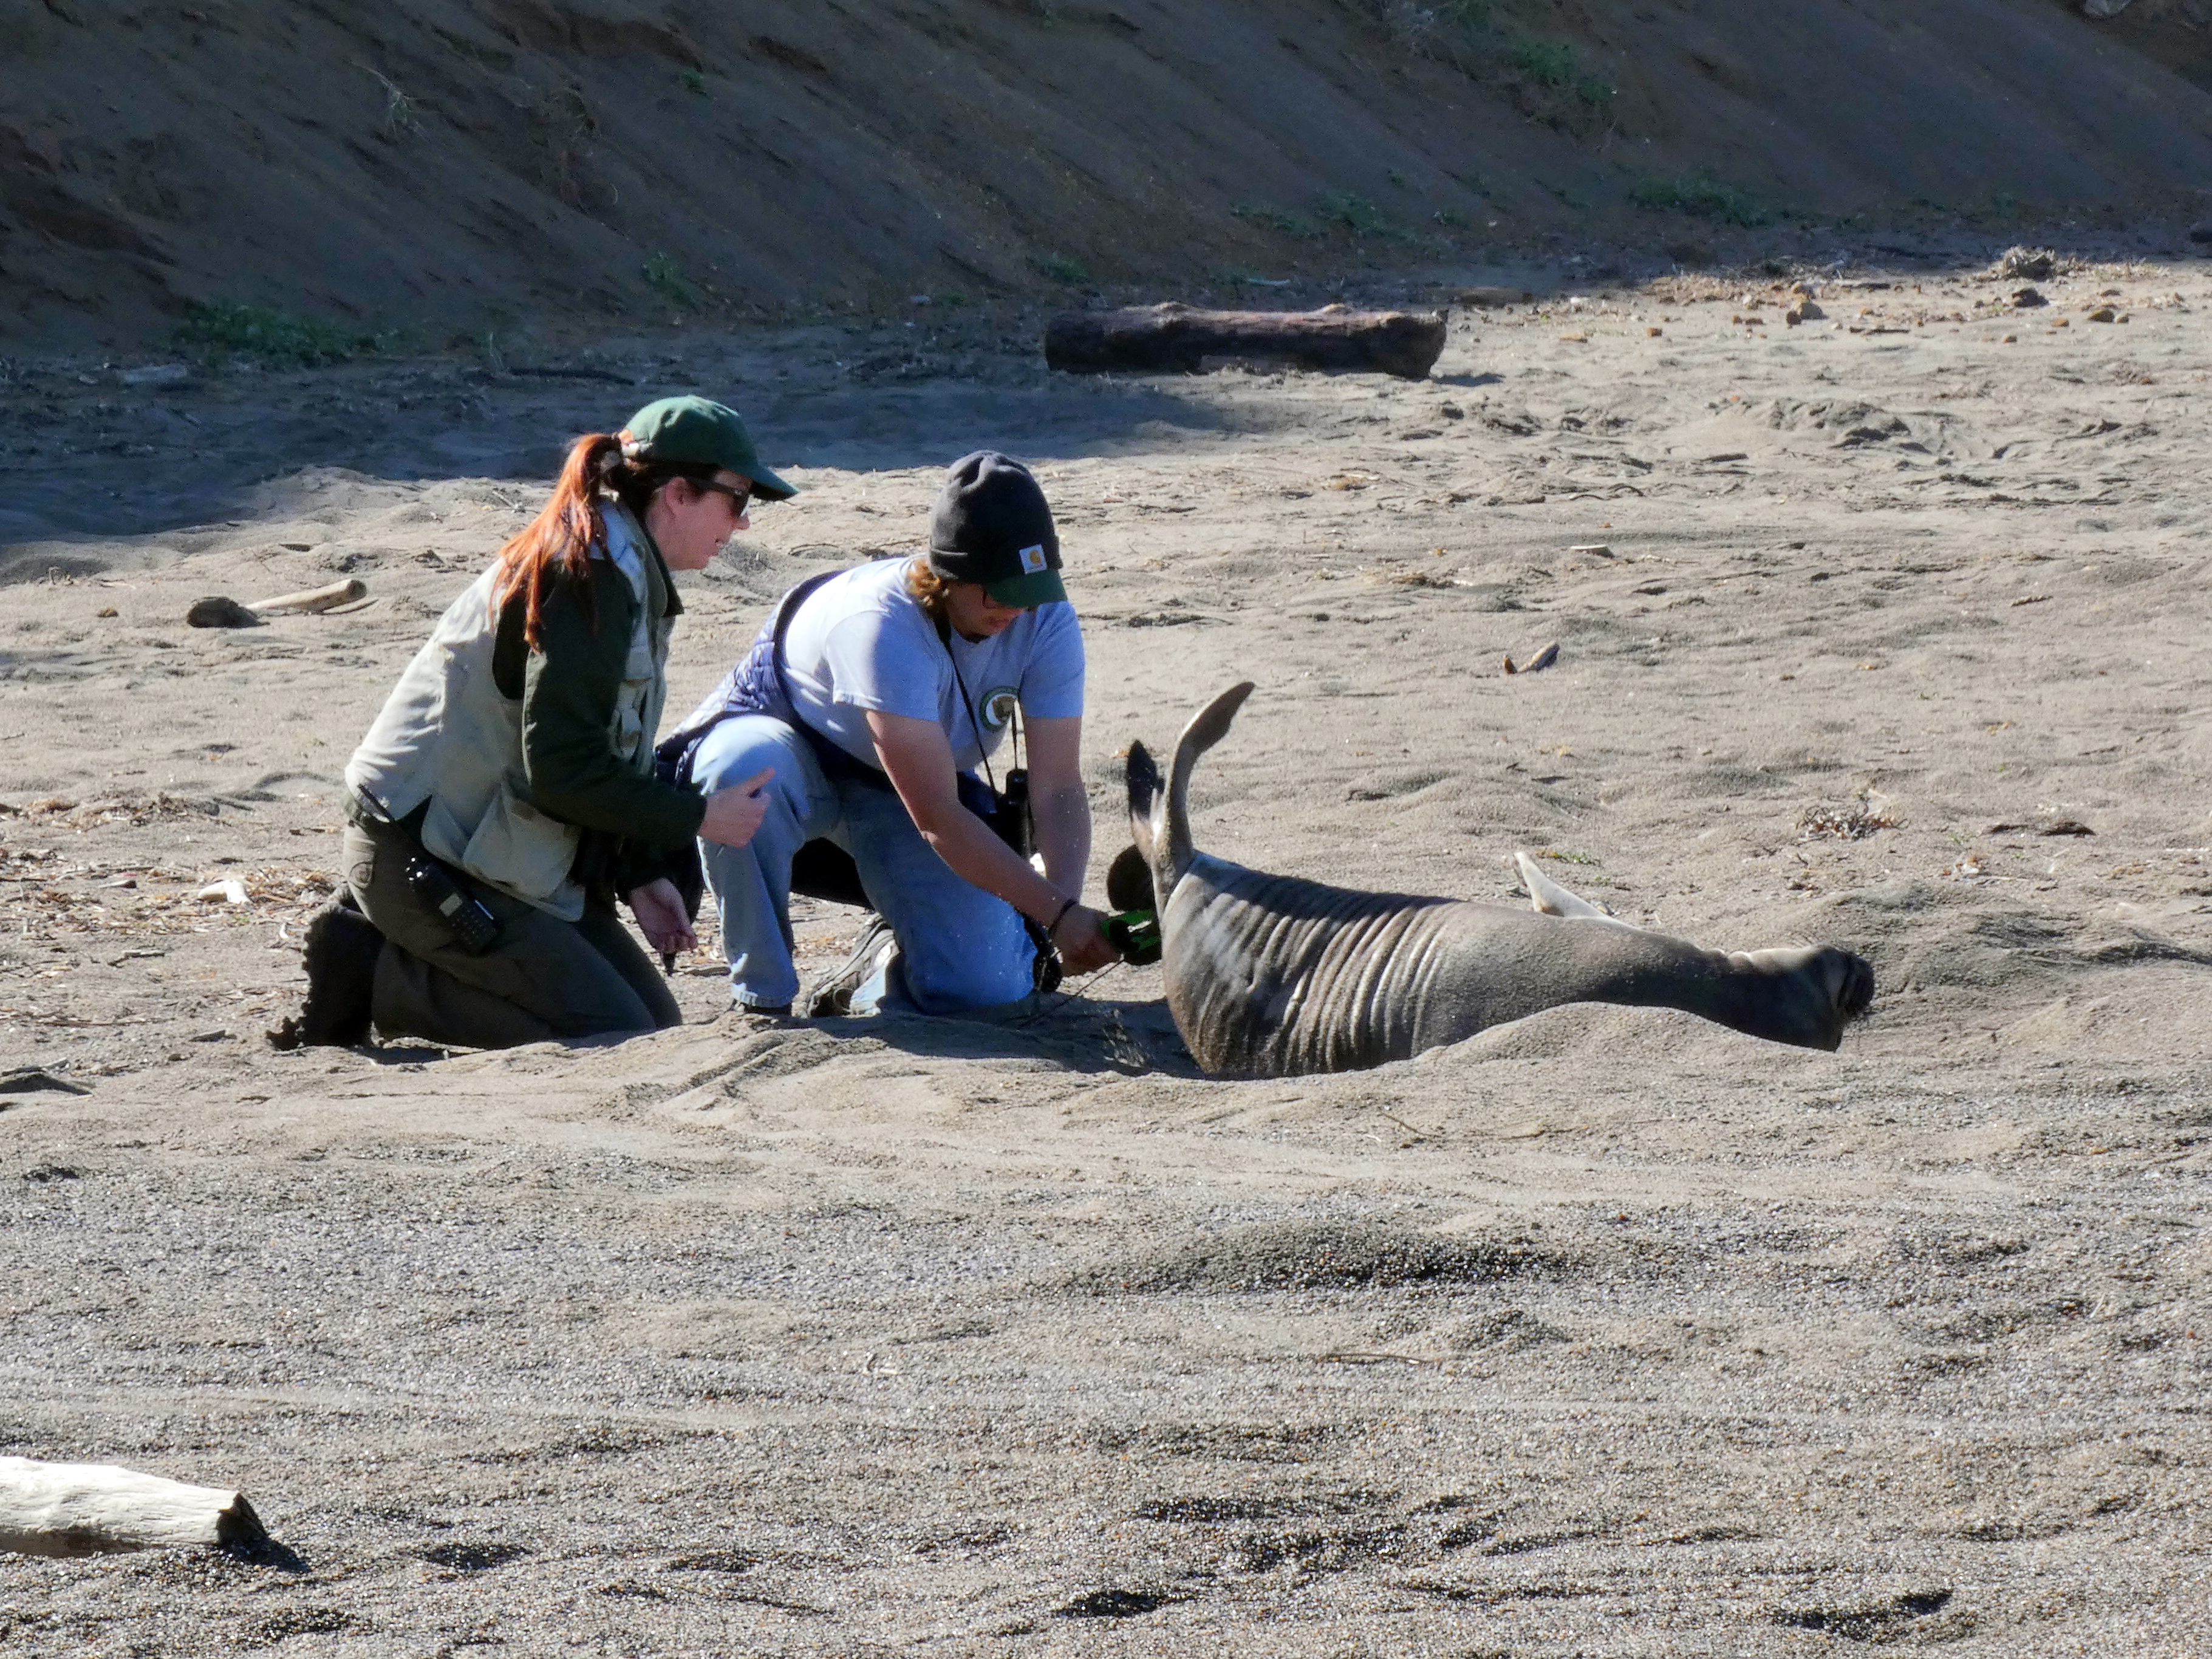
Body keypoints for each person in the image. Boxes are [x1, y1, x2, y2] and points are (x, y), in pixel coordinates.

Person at [270, 395, 791, 1050]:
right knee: (612, 1034)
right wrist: (697, 817)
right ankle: (373, 969)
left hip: (487, 852)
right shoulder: (590, 574)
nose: (741, 524)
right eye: (737, 500)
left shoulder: (620, 565)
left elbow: (589, 752)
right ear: (678, 494)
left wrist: (635, 873)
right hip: (420, 856)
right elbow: (565, 771)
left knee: (655, 1028)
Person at [665, 450, 1117, 1018]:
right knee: (740, 771)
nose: (1015, 611)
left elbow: (1057, 787)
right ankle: (764, 996)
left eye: (1031, 591)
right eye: (998, 591)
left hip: (897, 791)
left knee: (990, 987)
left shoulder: (1046, 617)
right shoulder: (882, 623)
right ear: (950, 574)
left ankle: (877, 969)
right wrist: (1056, 916)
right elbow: (939, 819)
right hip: (794, 760)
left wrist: (1061, 911)